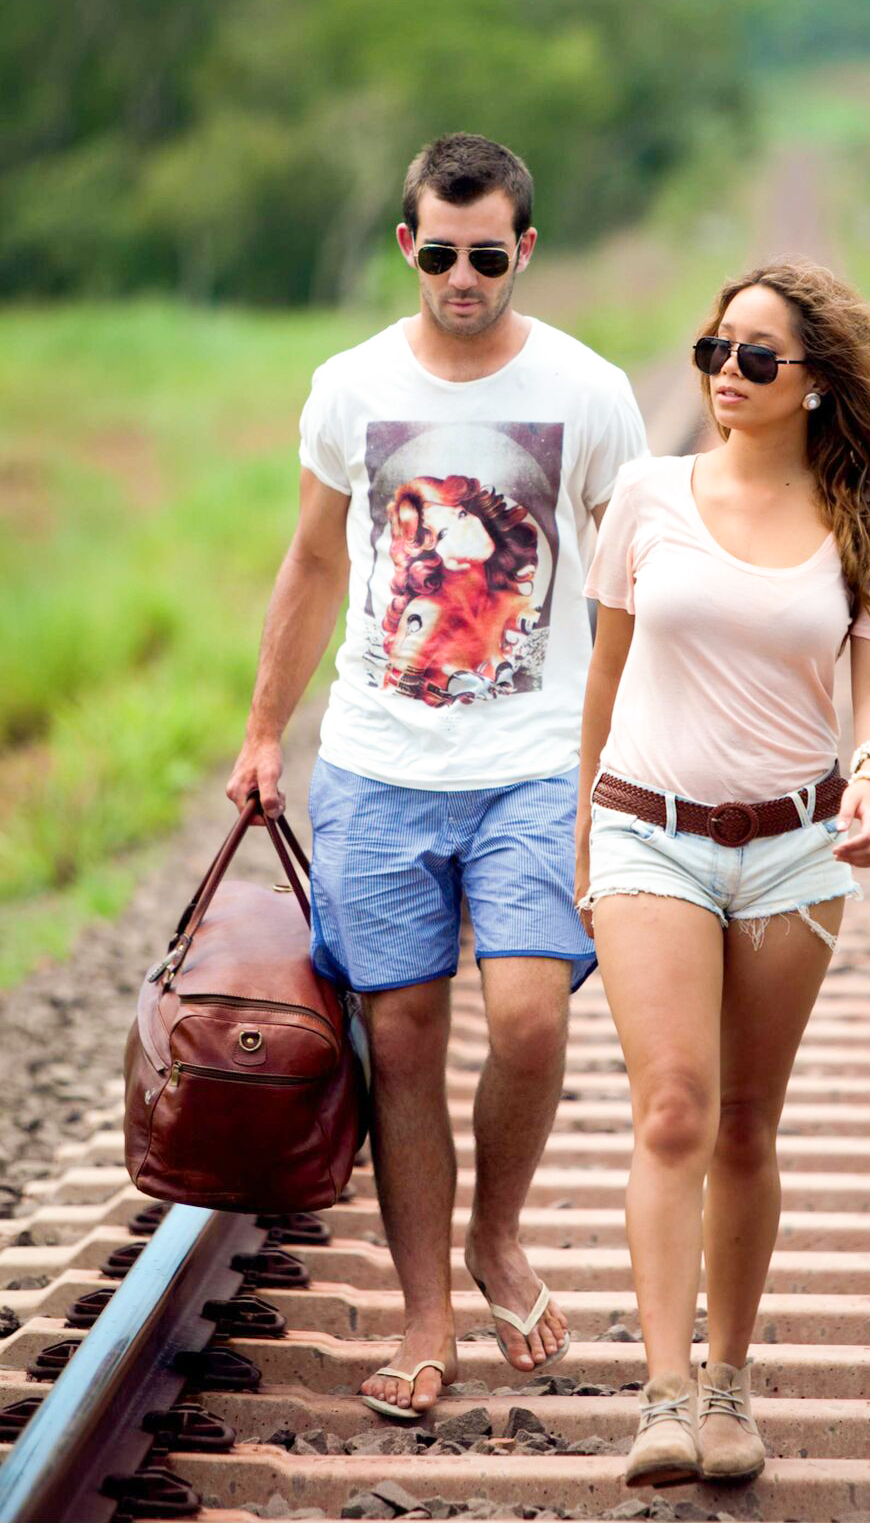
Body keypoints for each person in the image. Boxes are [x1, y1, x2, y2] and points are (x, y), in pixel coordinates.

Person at [228, 132, 646, 1419]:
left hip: (530, 763)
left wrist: (637, 743)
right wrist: (261, 735)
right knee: (400, 1043)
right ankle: (424, 1317)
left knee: (529, 1016)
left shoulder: (589, 392)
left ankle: (496, 1238)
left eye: (488, 255)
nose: (463, 277)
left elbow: (634, 581)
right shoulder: (349, 387)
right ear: (408, 246)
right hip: (378, 758)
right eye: (441, 253)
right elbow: (309, 566)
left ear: (525, 248)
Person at [575, 258, 870, 1487]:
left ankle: (729, 1381)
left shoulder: (868, 522)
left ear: (814, 384)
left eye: (753, 358)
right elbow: (604, 675)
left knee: (746, 1123)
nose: (723, 375)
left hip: (794, 850)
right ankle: (663, 1397)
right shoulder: (647, 494)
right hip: (649, 830)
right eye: (712, 349)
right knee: (674, 1106)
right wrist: (585, 832)